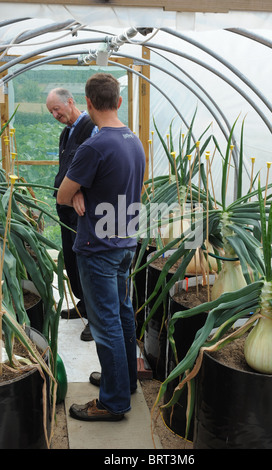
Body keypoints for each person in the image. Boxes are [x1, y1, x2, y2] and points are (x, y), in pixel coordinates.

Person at [57, 73, 145, 421]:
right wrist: (82, 190)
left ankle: (113, 402)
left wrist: (76, 191)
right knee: (122, 314)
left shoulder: (94, 146)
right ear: (119, 102)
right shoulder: (133, 140)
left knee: (105, 322)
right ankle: (123, 382)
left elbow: (63, 195)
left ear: (88, 103)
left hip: (98, 247)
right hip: (125, 243)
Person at [46, 87, 98, 341]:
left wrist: (79, 191)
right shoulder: (66, 132)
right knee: (72, 261)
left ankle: (95, 320)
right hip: (66, 209)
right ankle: (84, 307)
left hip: (82, 210)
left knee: (86, 264)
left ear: (70, 101)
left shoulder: (92, 128)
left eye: (57, 108)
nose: (55, 114)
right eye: (51, 112)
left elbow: (97, 168)